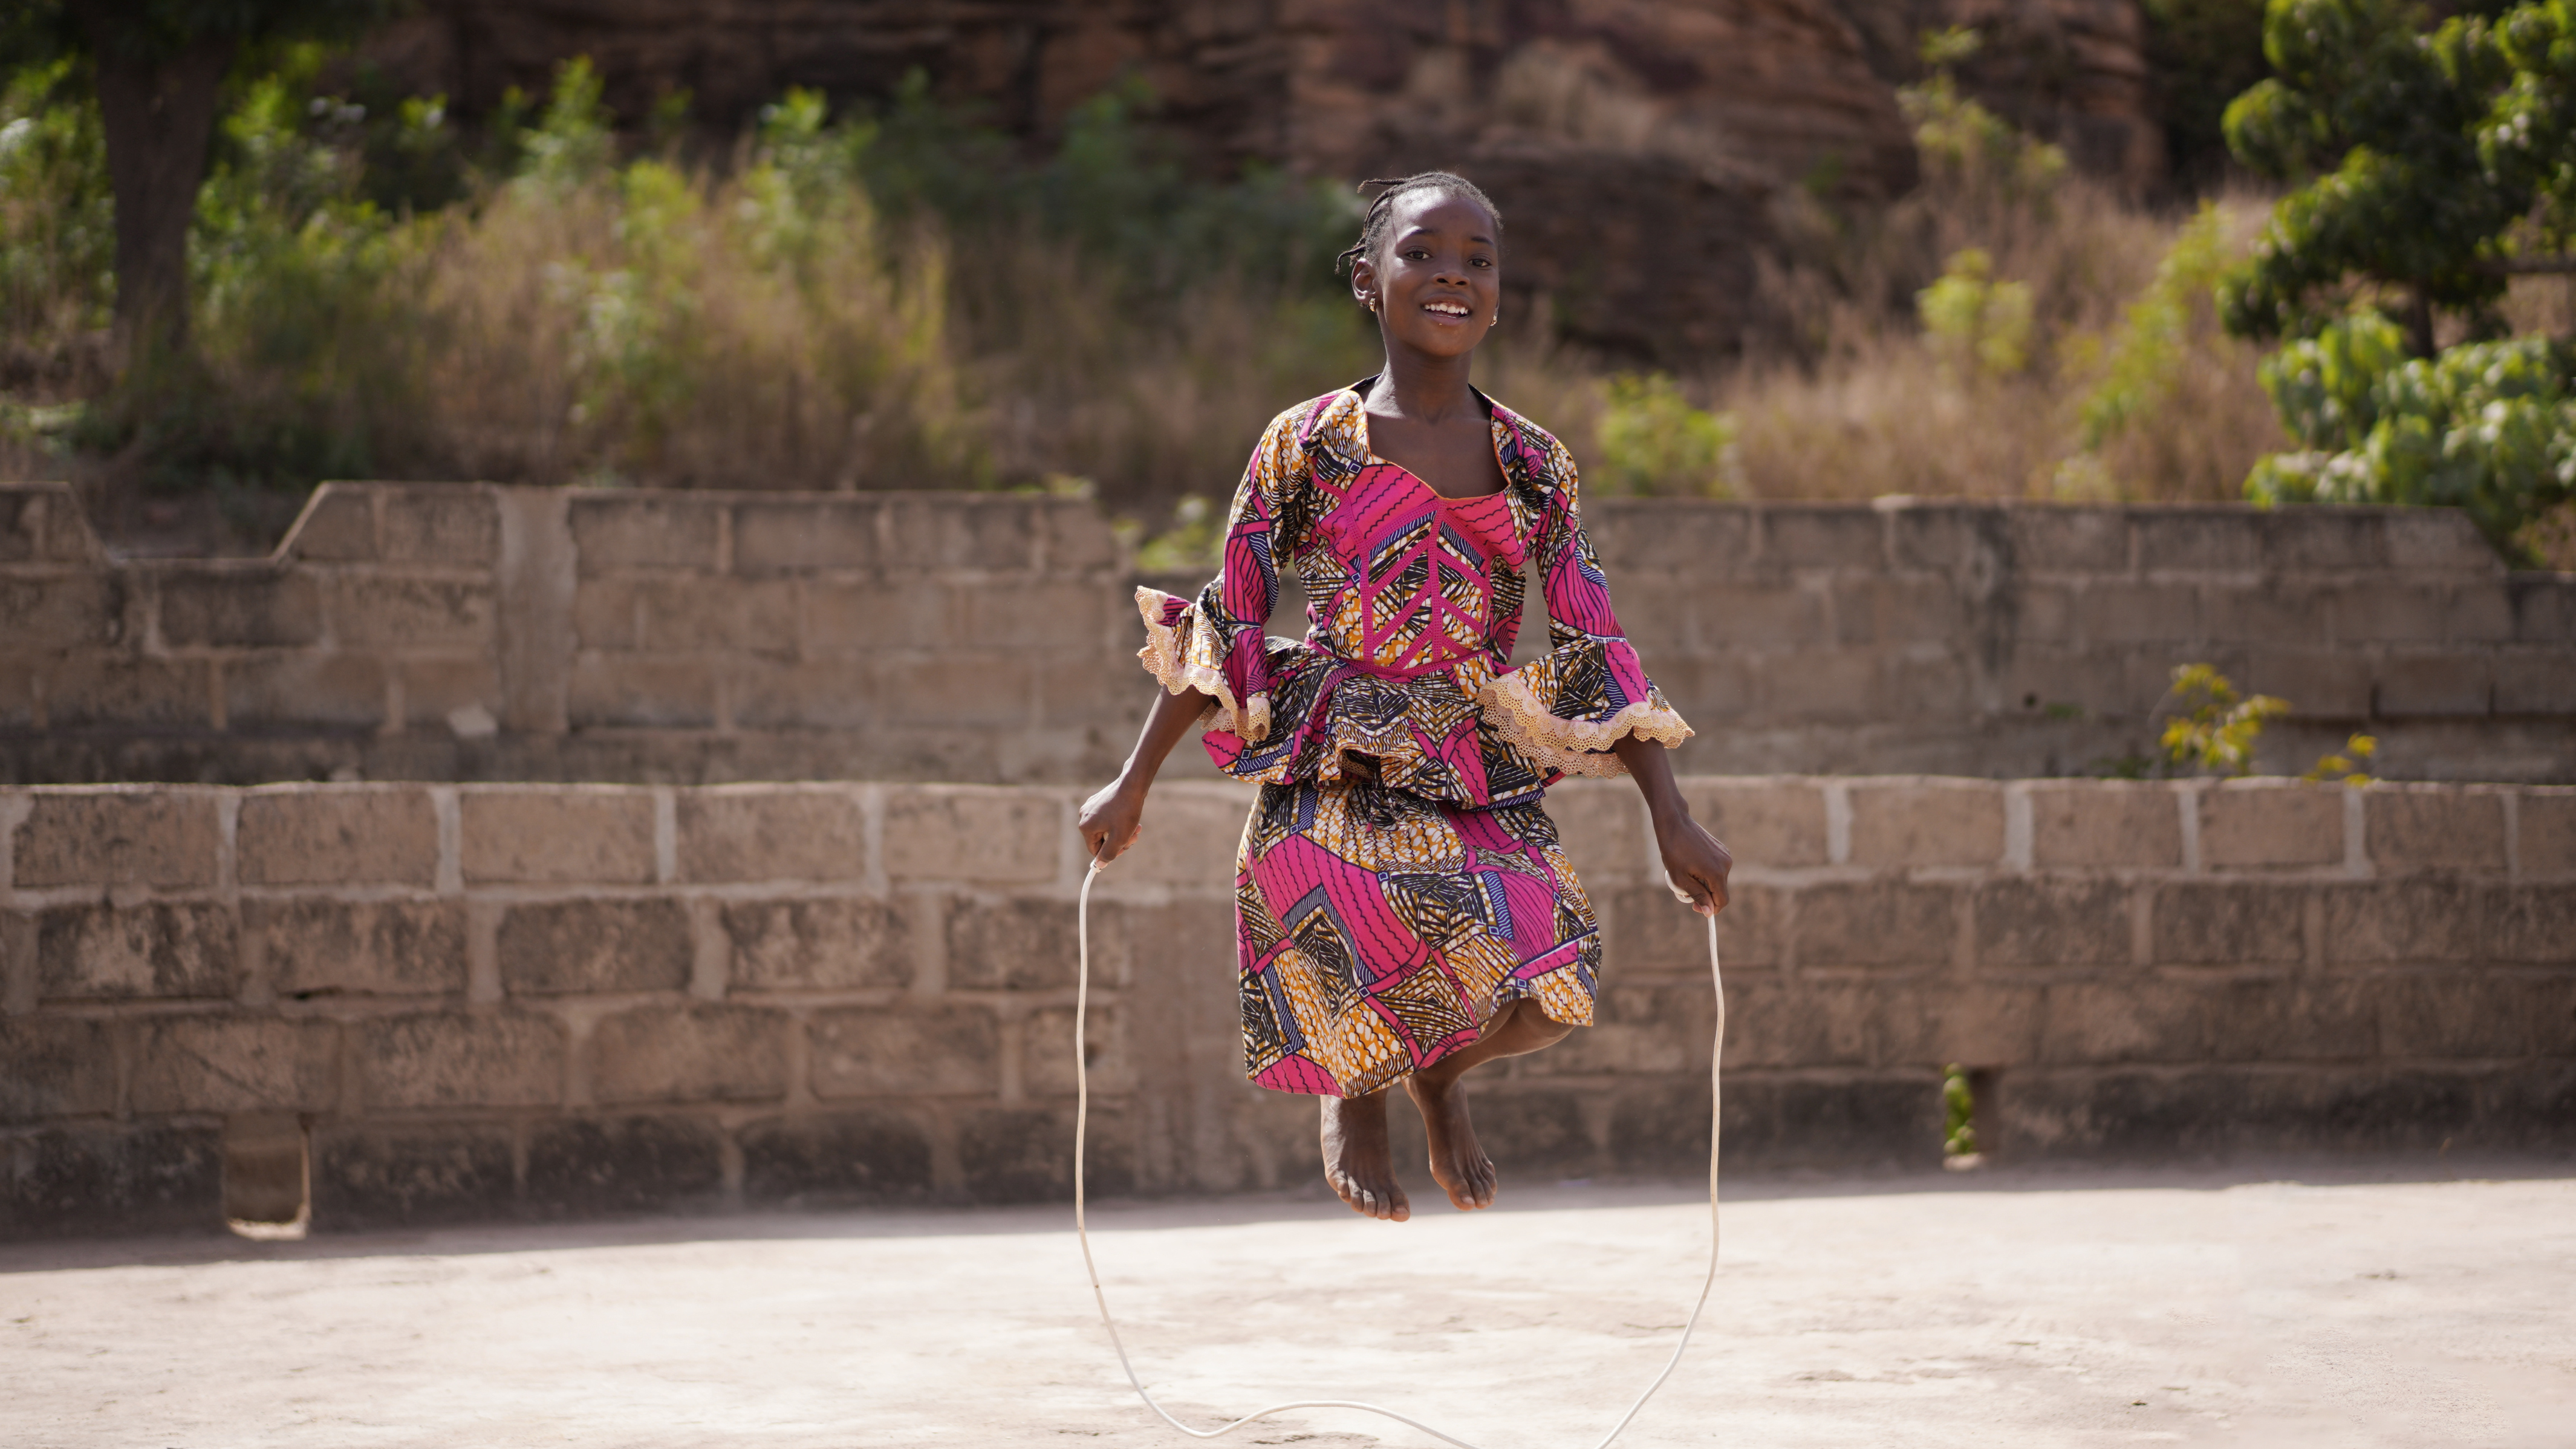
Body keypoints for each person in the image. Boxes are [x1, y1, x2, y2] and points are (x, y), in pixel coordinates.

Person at [1078, 172, 1732, 1222]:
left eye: (1479, 260)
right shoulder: (1304, 445)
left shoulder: (1533, 465)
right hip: (1331, 765)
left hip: (1471, 764)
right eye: (1424, 252)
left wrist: (1674, 814)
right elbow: (1231, 617)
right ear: (1367, 279)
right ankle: (1360, 1087)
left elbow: (1593, 637)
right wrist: (1131, 785)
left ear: (1498, 293)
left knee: (1553, 988)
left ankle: (1435, 1074)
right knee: (1343, 927)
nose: (1453, 276)